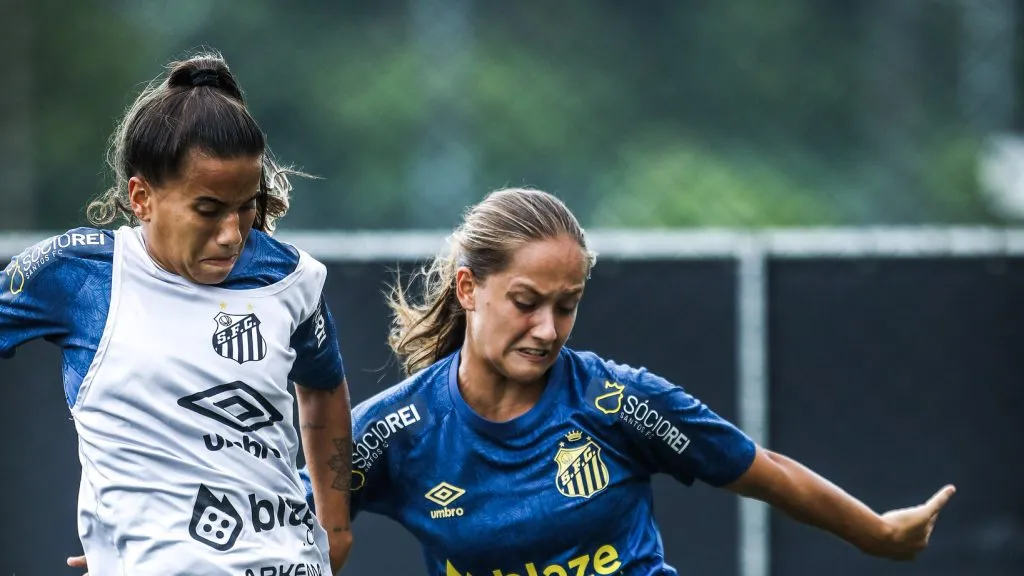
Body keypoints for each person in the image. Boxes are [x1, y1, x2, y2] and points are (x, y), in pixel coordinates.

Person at [70, 187, 955, 575]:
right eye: (527, 302)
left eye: (566, 306)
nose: (548, 328)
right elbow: (292, 526)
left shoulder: (617, 402)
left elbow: (760, 468)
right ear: (470, 289)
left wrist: (875, 534)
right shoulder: (395, 433)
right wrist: (163, 553)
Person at [2, 51, 352, 575]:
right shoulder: (79, 273)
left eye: (246, 206)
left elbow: (324, 391)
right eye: (208, 209)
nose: (232, 232)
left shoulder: (292, 278)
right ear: (141, 197)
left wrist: (337, 526)